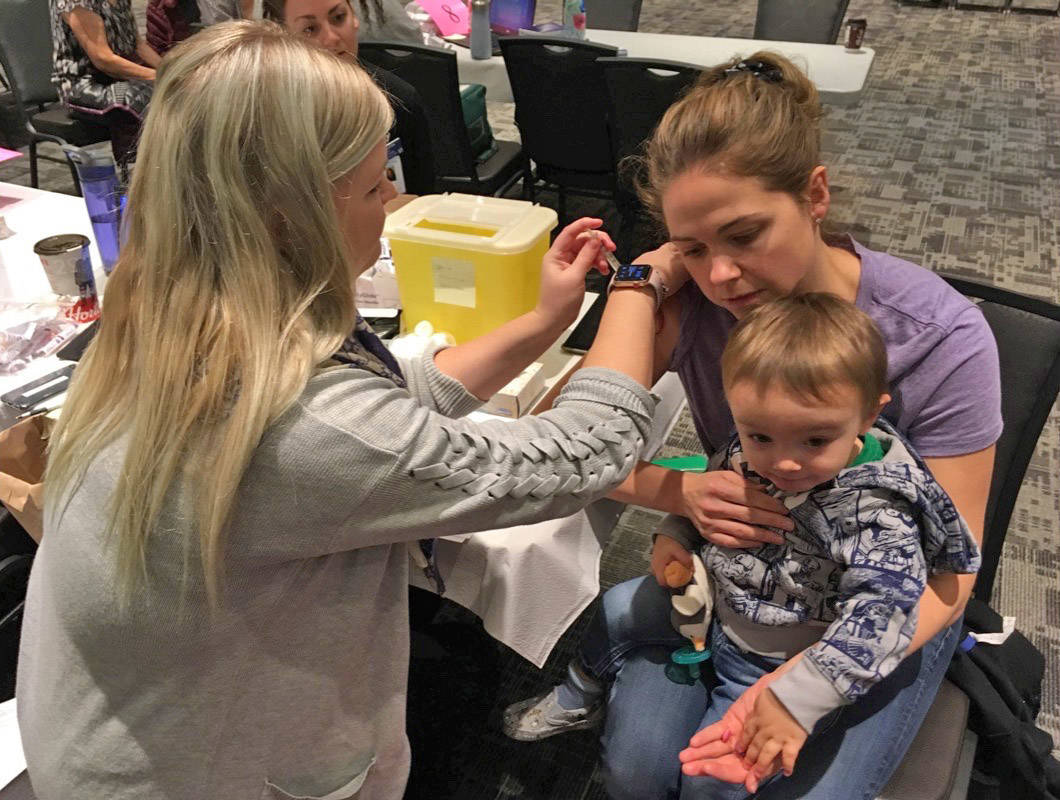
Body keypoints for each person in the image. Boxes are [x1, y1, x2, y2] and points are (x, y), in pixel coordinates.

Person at [16, 21, 672, 799]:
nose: (392, 201)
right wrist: (637, 286)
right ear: (288, 215)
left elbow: (382, 394)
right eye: (372, 187)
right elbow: (579, 455)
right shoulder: (297, 426)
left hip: (109, 730)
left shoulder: (172, 309)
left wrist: (538, 322)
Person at [506, 51, 1002, 799]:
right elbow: (561, 445)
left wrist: (807, 686)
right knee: (641, 773)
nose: (723, 276)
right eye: (695, 248)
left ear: (815, 195)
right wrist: (642, 286)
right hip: (745, 578)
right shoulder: (698, 305)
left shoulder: (937, 336)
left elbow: (950, 571)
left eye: (744, 235)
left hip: (880, 599)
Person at [505, 294, 982, 800]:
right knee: (617, 605)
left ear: (868, 416)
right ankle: (583, 687)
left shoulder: (880, 515)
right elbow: (715, 488)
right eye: (761, 436)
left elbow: (880, 621)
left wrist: (798, 697)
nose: (785, 464)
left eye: (815, 441)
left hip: (778, 659)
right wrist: (677, 534)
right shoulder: (751, 443)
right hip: (719, 602)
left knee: (712, 780)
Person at [264, 0, 436, 194]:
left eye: (338, 18)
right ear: (284, 39)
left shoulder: (400, 101)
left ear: (354, 17)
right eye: (310, 29)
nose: (331, 38)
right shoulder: (269, 112)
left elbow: (422, 201)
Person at [49, 0, 160, 167]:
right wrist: (160, 76)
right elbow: (103, 60)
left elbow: (138, 45)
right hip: (82, 85)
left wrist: (171, 70)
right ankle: (138, 175)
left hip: (118, 78)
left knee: (177, 90)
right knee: (146, 99)